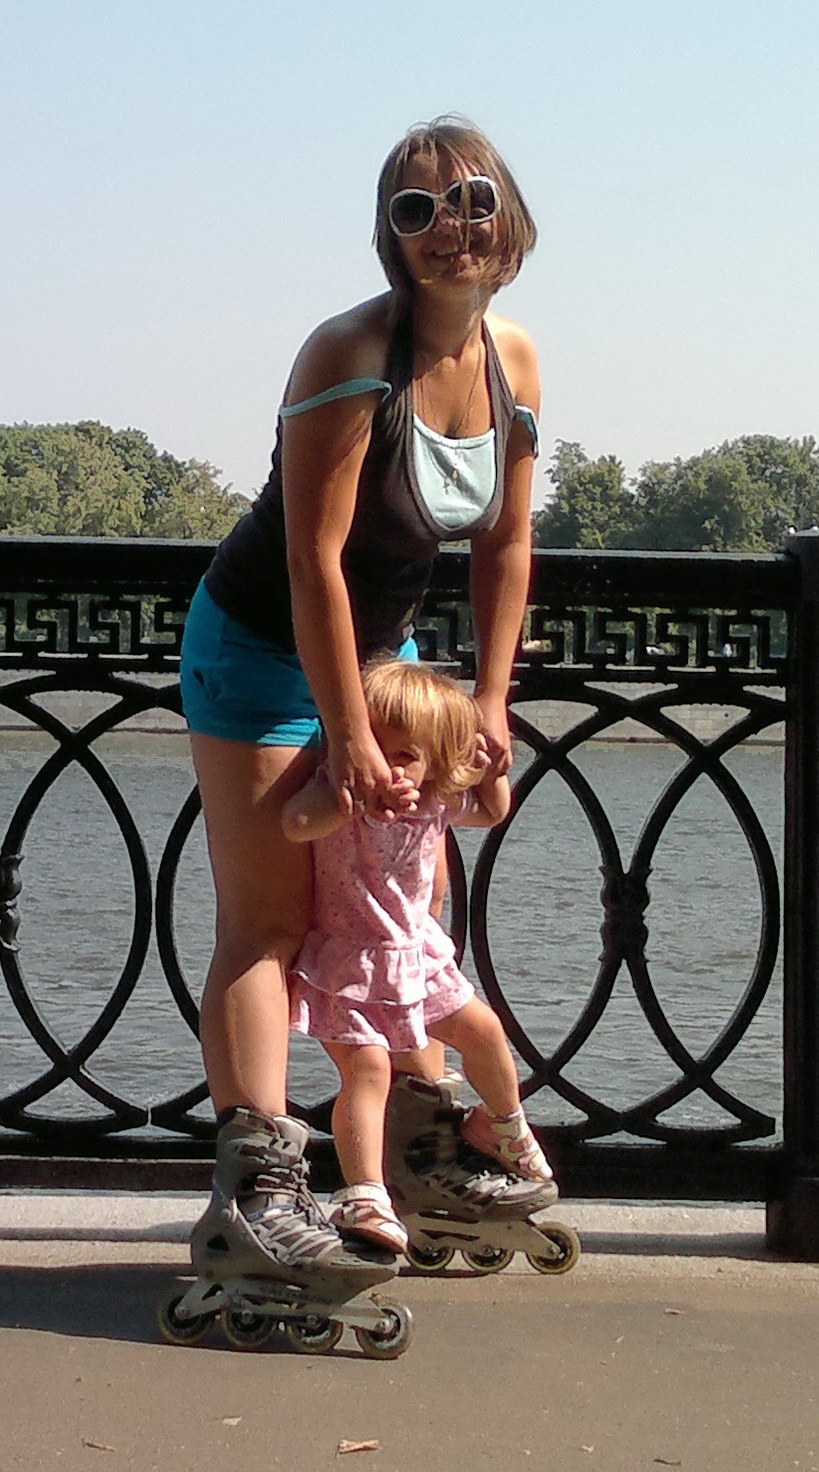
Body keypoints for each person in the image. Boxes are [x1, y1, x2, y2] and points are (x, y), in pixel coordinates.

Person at [180, 114, 541, 1288]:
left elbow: (504, 547)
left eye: (473, 200)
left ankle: (415, 1159)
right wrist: (343, 737)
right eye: (416, 209)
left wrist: (489, 703)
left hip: (379, 654)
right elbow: (312, 561)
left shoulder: (512, 360)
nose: (451, 228)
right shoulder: (347, 351)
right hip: (260, 646)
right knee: (272, 922)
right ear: (389, 237)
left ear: (510, 218)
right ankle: (258, 1192)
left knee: (403, 918)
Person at [283, 660, 556, 1252]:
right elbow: (295, 823)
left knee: (484, 1030)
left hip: (416, 955)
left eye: (406, 755)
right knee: (368, 1070)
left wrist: (491, 773)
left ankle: (501, 1125)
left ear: (433, 762)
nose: (391, 767)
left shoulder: (434, 802)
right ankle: (365, 1193)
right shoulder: (340, 792)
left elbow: (491, 812)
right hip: (350, 963)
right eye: (377, 748)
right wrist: (349, 795)